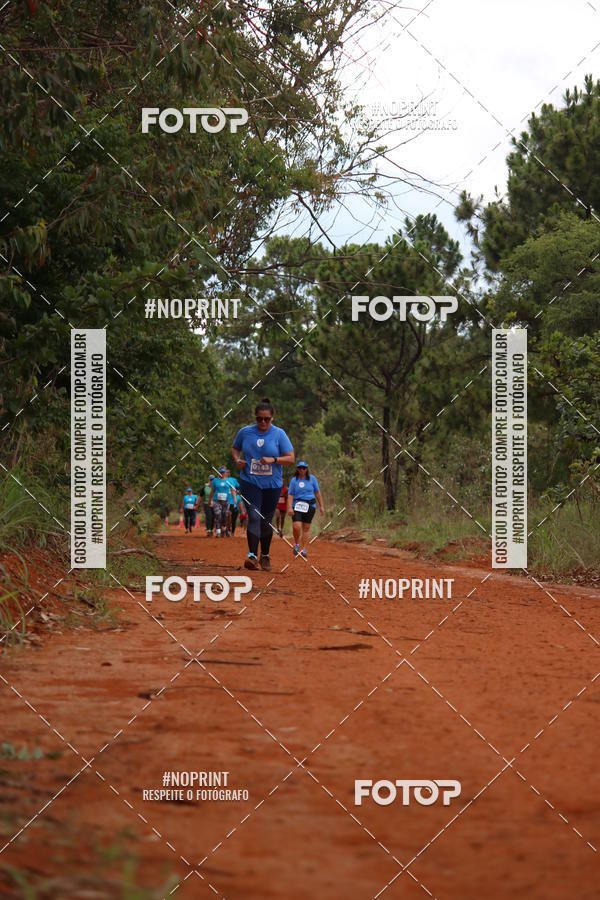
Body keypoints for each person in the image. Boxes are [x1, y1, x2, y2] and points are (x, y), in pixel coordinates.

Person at [231, 398, 295, 571]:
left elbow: (290, 458)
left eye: (266, 419)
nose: (263, 422)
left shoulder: (279, 434)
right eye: (259, 419)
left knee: (266, 521)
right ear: (255, 417)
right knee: (253, 516)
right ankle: (252, 556)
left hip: (272, 485)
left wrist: (273, 459)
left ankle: (265, 556)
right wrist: (237, 460)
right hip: (250, 482)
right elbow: (235, 448)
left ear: (272, 418)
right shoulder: (245, 432)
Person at [287, 461, 324, 558]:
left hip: (310, 505)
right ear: (297, 469)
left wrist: (321, 506)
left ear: (307, 469)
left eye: (304, 468)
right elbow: (290, 495)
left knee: (306, 528)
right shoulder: (294, 480)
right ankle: (296, 543)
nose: (302, 470)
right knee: (297, 526)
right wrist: (290, 507)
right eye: (300, 468)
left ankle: (304, 549)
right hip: (297, 505)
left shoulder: (312, 479)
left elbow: (317, 493)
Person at [209, 467, 237, 538]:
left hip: (226, 501)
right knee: (218, 515)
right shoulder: (215, 481)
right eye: (221, 472)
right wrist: (210, 500)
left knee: (225, 515)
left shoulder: (229, 481)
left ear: (225, 473)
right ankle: (218, 531)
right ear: (218, 473)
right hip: (216, 501)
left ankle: (225, 529)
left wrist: (234, 499)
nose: (222, 474)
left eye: (223, 472)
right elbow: (212, 491)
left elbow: (233, 490)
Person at [225, 467, 240, 536]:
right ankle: (227, 530)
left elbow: (238, 487)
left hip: (234, 502)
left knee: (233, 519)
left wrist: (238, 492)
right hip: (226, 502)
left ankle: (232, 532)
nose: (227, 473)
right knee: (227, 517)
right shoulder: (222, 480)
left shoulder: (233, 480)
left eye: (228, 472)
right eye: (226, 472)